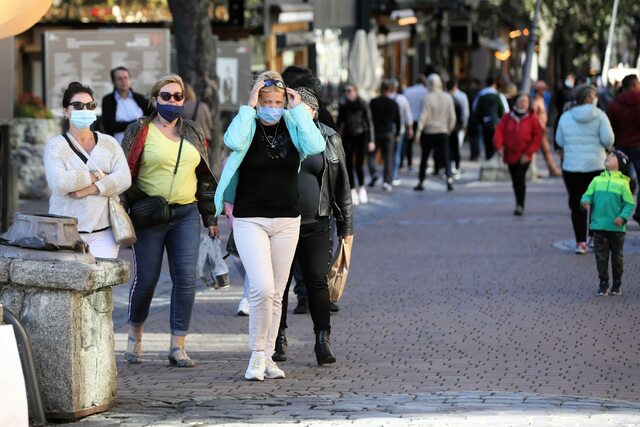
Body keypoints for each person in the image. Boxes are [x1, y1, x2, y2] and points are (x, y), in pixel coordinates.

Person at [213, 71, 325, 381]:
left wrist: (298, 108)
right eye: (267, 101)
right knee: (261, 288)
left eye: (277, 101)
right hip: (251, 219)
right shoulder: (246, 126)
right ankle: (256, 354)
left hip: (288, 219)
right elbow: (231, 141)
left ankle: (268, 356)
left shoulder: (292, 124)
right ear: (257, 101)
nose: (273, 107)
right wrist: (249, 107)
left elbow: (316, 145)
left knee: (276, 293)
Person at [121, 74, 218, 368]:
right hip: (150, 214)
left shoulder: (192, 131)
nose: (172, 101)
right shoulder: (139, 130)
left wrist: (208, 215)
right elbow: (125, 173)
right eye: (166, 96)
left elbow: (203, 176)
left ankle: (178, 345)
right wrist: (130, 207)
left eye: (178, 97)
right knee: (147, 280)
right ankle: (135, 332)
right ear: (154, 99)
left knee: (186, 279)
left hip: (186, 213)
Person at [273, 87, 353, 365]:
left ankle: (323, 339)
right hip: (282, 221)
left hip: (316, 221)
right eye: (288, 106)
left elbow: (342, 185)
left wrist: (347, 226)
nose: (291, 111)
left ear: (313, 112)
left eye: (298, 106)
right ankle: (278, 339)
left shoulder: (329, 138)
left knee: (317, 281)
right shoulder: (278, 135)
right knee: (279, 285)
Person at [44, 82, 131, 259]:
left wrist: (90, 189)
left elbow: (124, 178)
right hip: (65, 232)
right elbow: (59, 182)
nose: (84, 109)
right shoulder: (55, 146)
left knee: (101, 285)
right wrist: (99, 176)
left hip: (104, 232)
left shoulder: (109, 143)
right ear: (66, 111)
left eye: (90, 105)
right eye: (77, 105)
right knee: (70, 284)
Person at [556, 84, 615, 254]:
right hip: (596, 165)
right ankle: (593, 237)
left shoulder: (565, 117)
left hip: (572, 167)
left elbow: (559, 141)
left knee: (578, 205)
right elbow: (608, 139)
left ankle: (580, 243)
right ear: (589, 98)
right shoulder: (600, 116)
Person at [581, 150, 635, 296]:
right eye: (608, 155)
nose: (608, 157)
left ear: (620, 164)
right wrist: (585, 201)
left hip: (617, 228)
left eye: (612, 156)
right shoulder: (597, 180)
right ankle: (603, 282)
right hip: (598, 226)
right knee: (601, 257)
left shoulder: (623, 183)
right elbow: (587, 195)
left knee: (617, 257)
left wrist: (622, 217)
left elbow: (629, 204)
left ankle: (617, 283)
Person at [493, 92, 542, 215]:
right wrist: (499, 146)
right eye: (520, 101)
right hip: (510, 154)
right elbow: (499, 131)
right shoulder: (507, 117)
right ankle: (518, 202)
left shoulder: (532, 118)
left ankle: (520, 205)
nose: (522, 104)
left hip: (525, 155)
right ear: (515, 102)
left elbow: (537, 137)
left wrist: (529, 152)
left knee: (520, 178)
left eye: (525, 101)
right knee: (515, 180)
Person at [606, 74, 640, 224]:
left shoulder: (614, 103)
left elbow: (609, 127)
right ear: (633, 85)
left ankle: (617, 213)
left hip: (621, 146)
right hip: (639, 146)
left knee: (619, 182)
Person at [414, 74, 457, 192]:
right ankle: (449, 179)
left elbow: (423, 116)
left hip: (429, 131)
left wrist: (419, 130)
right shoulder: (447, 97)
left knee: (424, 158)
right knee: (446, 156)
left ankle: (421, 181)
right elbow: (452, 117)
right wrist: (449, 129)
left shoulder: (427, 98)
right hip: (443, 131)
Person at [336, 83, 375, 205]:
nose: (347, 93)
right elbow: (339, 122)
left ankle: (362, 188)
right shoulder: (343, 105)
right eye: (345, 91)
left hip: (361, 136)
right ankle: (352, 190)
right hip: (348, 137)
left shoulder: (363, 103)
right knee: (348, 165)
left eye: (349, 90)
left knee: (359, 164)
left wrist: (371, 140)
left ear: (355, 91)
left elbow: (369, 122)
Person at [101, 66, 152, 144]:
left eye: (125, 78)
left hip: (142, 143)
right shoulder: (108, 100)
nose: (123, 81)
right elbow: (109, 125)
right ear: (114, 82)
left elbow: (151, 117)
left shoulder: (140, 98)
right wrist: (138, 123)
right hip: (118, 145)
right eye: (119, 79)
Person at [369, 80, 401, 192]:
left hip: (375, 134)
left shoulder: (373, 102)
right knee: (388, 158)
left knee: (372, 156)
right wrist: (397, 134)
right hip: (388, 133)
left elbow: (369, 119)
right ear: (389, 90)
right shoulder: (393, 103)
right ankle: (386, 181)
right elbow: (398, 120)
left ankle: (373, 173)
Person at [472, 76, 509, 160]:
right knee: (496, 143)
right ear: (495, 84)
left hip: (484, 124)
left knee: (487, 143)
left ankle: (488, 159)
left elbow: (475, 109)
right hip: (496, 124)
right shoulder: (498, 95)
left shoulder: (480, 94)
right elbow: (506, 111)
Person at [532, 80, 562, 177]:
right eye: (542, 89)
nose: (544, 91)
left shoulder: (540, 100)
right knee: (542, 150)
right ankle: (550, 169)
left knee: (545, 151)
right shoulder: (536, 101)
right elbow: (534, 117)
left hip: (541, 130)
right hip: (539, 130)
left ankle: (551, 169)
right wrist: (541, 127)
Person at [387, 78, 414, 184]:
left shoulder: (385, 98)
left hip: (387, 130)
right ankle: (394, 175)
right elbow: (408, 116)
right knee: (396, 153)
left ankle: (388, 175)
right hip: (399, 130)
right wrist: (410, 128)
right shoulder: (402, 99)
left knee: (388, 154)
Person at [402, 75, 428, 171]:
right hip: (421, 120)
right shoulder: (426, 91)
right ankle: (423, 163)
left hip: (409, 119)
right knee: (424, 144)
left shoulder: (407, 91)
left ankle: (409, 164)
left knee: (408, 144)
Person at [446, 78, 470, 178]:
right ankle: (455, 167)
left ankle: (449, 166)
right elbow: (465, 112)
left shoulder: (444, 96)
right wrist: (464, 125)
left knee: (448, 148)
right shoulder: (461, 96)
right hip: (457, 127)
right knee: (456, 147)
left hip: (446, 127)